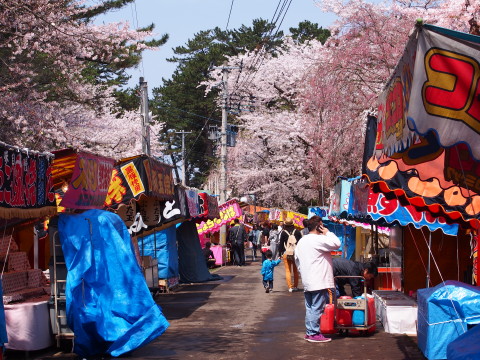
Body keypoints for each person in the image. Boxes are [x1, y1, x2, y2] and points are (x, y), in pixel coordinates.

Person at [294, 215, 341, 343]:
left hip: (308, 279)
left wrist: (303, 272)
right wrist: (327, 232)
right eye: (322, 225)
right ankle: (313, 333)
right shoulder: (317, 239)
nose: (324, 228)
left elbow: (297, 260)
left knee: (310, 307)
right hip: (319, 279)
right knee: (317, 307)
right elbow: (337, 243)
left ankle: (310, 332)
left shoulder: (302, 241)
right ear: (319, 225)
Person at [278, 217, 302, 292]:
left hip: (286, 252)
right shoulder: (297, 232)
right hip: (295, 253)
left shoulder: (283, 232)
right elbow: (300, 243)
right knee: (295, 270)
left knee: (288, 270)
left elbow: (281, 244)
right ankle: (295, 286)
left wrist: (280, 253)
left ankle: (290, 287)